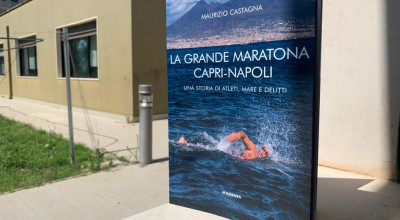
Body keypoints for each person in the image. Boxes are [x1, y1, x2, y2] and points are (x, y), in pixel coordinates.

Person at [178, 131, 269, 160]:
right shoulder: (253, 149)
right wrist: (237, 135)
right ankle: (185, 143)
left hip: (230, 156)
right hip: (228, 153)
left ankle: (186, 143)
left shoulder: (257, 160)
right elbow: (243, 134)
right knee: (207, 150)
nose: (264, 153)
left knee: (208, 149)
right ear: (260, 149)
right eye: (264, 150)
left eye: (266, 153)